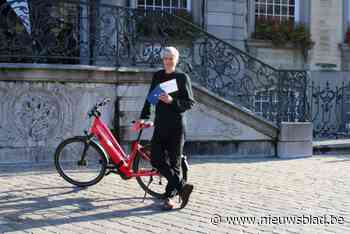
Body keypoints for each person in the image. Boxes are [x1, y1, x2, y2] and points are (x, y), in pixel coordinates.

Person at [136, 46, 195, 210]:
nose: (168, 61)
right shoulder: (158, 76)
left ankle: (169, 198)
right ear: (163, 60)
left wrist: (171, 101)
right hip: (160, 125)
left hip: (177, 127)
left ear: (176, 60)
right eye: (166, 58)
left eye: (171, 58)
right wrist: (144, 117)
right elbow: (150, 100)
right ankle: (183, 187)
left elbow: (189, 103)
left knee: (175, 163)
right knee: (155, 159)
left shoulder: (182, 77)